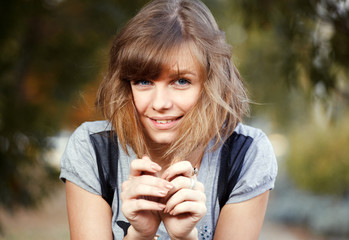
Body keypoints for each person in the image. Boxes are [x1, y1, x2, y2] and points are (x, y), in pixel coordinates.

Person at [60, 0, 278, 239]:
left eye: (181, 81)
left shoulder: (246, 154)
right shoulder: (91, 150)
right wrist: (140, 234)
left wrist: (184, 237)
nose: (160, 103)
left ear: (210, 86)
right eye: (144, 81)